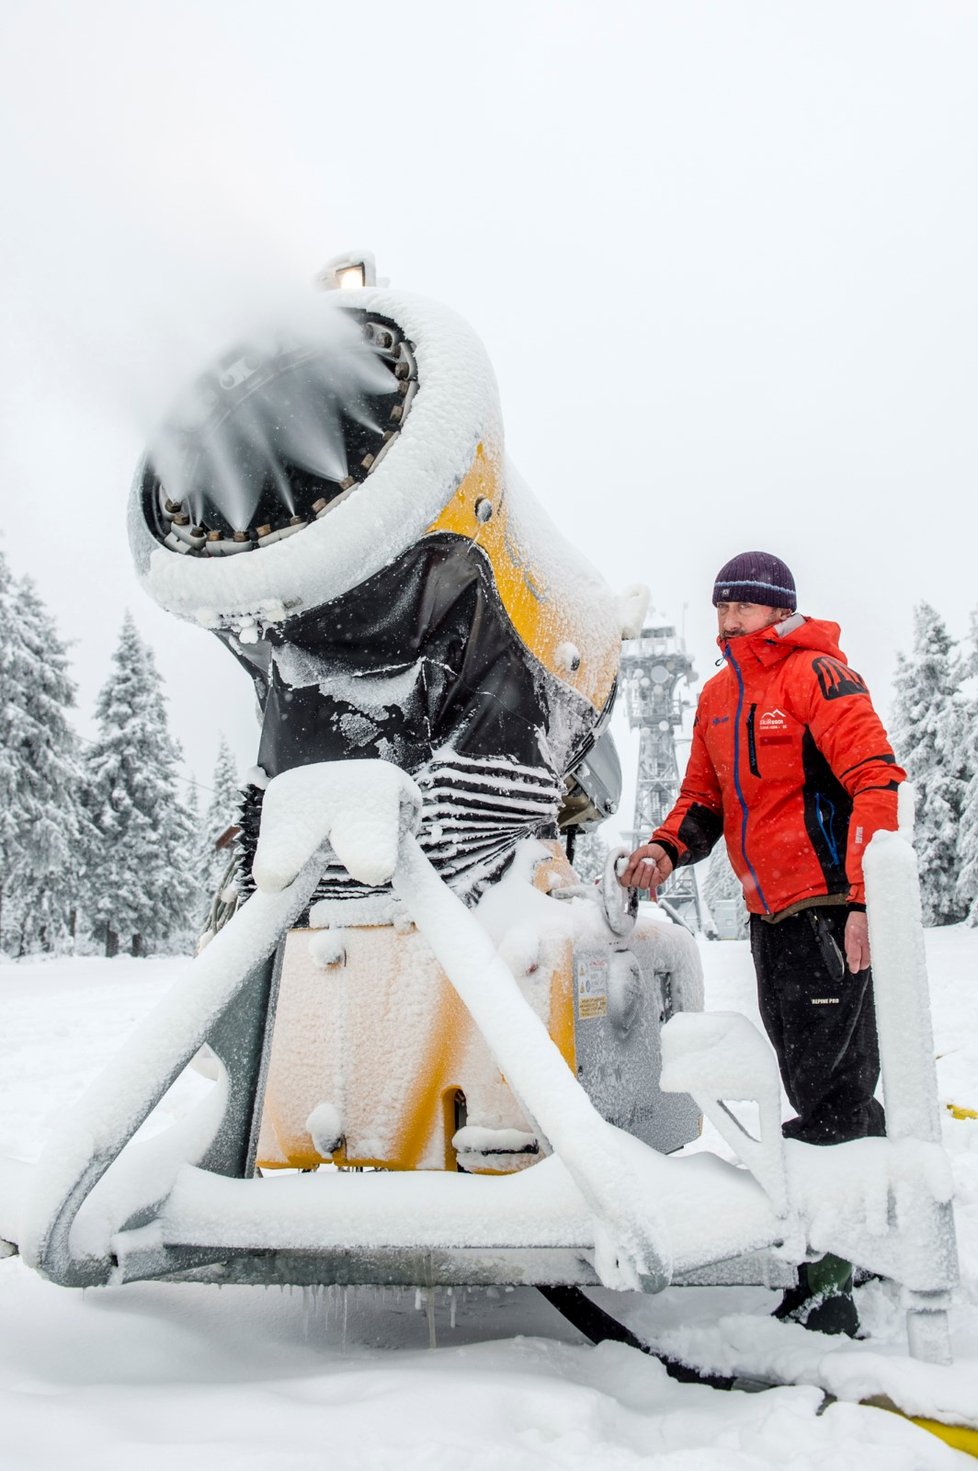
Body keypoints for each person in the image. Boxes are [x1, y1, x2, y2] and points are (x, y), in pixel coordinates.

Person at [621, 550, 904, 1336]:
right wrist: (664, 847)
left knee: (832, 1094)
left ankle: (830, 1283)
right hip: (768, 918)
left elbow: (875, 779)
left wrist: (862, 899)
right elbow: (701, 800)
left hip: (825, 910)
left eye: (739, 608)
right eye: (719, 609)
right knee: (814, 1081)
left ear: (778, 608)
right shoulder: (719, 694)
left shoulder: (817, 676)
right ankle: (864, 1242)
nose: (725, 622)